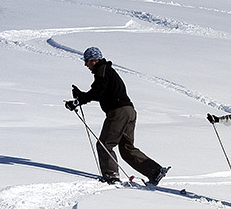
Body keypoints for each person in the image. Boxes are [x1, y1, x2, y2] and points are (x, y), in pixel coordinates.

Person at [65, 47, 168, 186]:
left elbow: (97, 92)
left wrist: (78, 101)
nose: (85, 64)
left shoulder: (102, 70)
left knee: (105, 144)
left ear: (94, 60)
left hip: (118, 112)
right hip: (129, 111)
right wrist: (81, 96)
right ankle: (155, 171)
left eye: (87, 61)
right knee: (126, 148)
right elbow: (100, 93)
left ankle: (111, 176)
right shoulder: (107, 71)